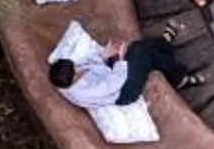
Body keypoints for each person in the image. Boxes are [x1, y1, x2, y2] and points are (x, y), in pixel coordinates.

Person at [47, 30, 182, 115]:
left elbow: (92, 65)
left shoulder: (68, 74)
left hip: (110, 73)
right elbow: (114, 83)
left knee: (139, 49)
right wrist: (121, 59)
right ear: (73, 78)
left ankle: (164, 46)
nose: (78, 68)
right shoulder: (83, 92)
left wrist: (104, 55)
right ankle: (177, 73)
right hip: (123, 91)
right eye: (76, 71)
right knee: (140, 50)